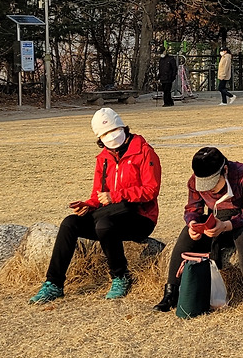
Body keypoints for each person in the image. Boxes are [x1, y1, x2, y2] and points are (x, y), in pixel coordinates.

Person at [30, 108, 162, 304]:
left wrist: (116, 196)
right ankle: (54, 283)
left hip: (140, 217)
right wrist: (88, 205)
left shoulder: (145, 152)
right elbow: (98, 195)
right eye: (106, 136)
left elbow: (151, 190)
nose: (112, 139)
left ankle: (121, 276)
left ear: (123, 128)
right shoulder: (103, 159)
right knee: (70, 223)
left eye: (114, 132)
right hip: (110, 213)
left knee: (104, 224)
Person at [154, 147, 243, 317]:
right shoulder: (194, 181)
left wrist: (226, 225)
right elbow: (192, 208)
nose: (209, 189)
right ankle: (171, 292)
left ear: (225, 170)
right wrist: (193, 224)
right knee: (186, 233)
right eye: (204, 185)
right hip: (220, 222)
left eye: (213, 183)